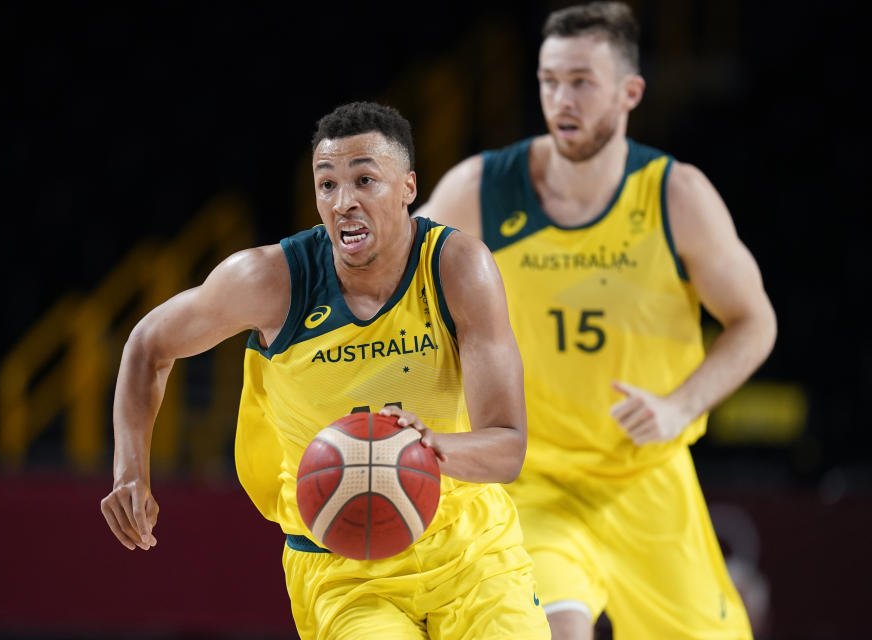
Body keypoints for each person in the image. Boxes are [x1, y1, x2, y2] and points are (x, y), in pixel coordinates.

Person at [100, 101, 550, 640]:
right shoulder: (270, 281)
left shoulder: (456, 268)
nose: (344, 203)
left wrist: (433, 448)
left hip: (470, 548)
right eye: (327, 184)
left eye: (365, 180)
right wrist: (130, 471)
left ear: (408, 187)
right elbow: (148, 343)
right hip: (340, 562)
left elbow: (507, 448)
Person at [414, 3, 777, 639]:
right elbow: (398, 299)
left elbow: (755, 322)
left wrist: (679, 405)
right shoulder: (479, 191)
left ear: (630, 92)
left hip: (647, 480)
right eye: (549, 80)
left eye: (581, 81)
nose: (561, 98)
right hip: (531, 480)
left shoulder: (677, 197)